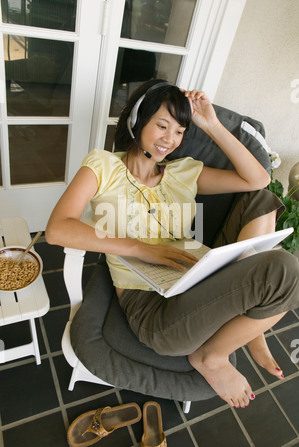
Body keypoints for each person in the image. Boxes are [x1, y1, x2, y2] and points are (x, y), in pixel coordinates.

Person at [46, 79, 299, 409]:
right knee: (285, 271)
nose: (170, 140)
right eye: (161, 126)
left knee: (260, 199)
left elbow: (258, 180)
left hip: (195, 279)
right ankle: (213, 356)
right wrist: (142, 249)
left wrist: (210, 124)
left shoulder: (183, 172)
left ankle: (235, 334)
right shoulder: (103, 166)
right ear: (137, 122)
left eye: (179, 131)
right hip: (154, 312)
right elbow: (56, 230)